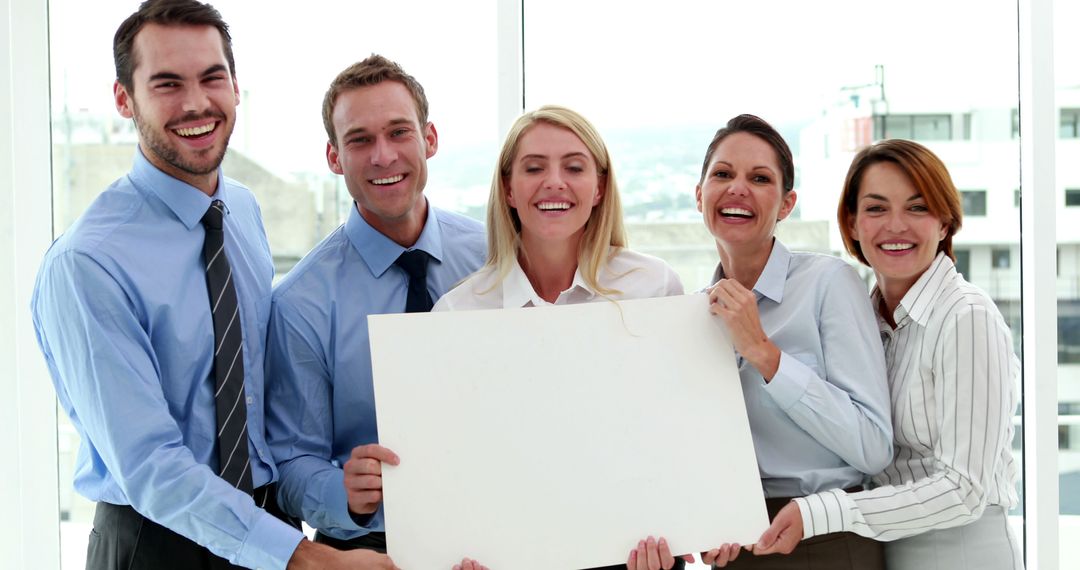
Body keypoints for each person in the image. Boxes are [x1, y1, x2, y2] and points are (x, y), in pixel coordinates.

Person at [30, 1, 395, 568]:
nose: (196, 102)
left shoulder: (242, 211)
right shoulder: (87, 264)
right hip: (160, 542)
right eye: (167, 83)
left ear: (236, 88)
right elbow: (151, 465)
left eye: (211, 77)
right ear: (124, 98)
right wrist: (310, 559)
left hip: (268, 525)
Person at [434, 105, 686, 570]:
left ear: (600, 187)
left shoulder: (653, 288)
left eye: (574, 167)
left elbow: (678, 430)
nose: (555, 182)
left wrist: (687, 522)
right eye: (534, 168)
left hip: (633, 554)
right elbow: (454, 465)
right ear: (509, 188)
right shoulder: (458, 313)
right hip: (509, 555)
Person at [752, 139, 1022, 569]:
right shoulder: (869, 319)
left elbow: (964, 489)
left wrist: (821, 511)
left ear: (945, 223)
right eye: (876, 209)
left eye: (917, 208)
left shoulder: (966, 317)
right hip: (884, 550)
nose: (896, 225)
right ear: (853, 224)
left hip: (959, 553)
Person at [264, 54, 486, 558]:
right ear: (334, 157)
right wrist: (341, 492)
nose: (383, 156)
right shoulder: (301, 302)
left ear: (429, 139)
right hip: (370, 551)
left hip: (499, 539)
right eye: (360, 140)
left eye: (399, 133)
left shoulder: (495, 255)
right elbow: (291, 463)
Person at [695, 115, 893, 569]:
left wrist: (764, 354)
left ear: (786, 205)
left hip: (826, 540)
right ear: (699, 195)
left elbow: (873, 446)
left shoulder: (829, 284)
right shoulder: (693, 316)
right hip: (738, 544)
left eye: (759, 178)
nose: (737, 188)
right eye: (722, 174)